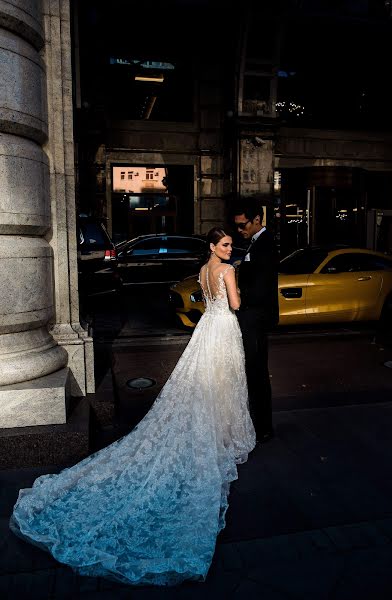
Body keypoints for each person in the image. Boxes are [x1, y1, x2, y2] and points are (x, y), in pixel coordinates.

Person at [9, 227, 255, 587]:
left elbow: (208, 300)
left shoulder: (203, 270)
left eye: (231, 245)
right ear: (214, 247)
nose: (230, 249)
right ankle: (221, 431)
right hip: (224, 328)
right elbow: (235, 304)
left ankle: (214, 427)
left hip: (206, 329)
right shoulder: (228, 270)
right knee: (223, 380)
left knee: (205, 382)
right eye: (226, 245)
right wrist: (238, 286)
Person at [233, 200, 279, 443]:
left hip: (256, 318)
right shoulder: (256, 243)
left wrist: (237, 296)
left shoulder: (265, 244)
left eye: (243, 225)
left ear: (257, 220)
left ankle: (263, 427)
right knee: (254, 372)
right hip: (253, 317)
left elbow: (261, 288)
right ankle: (260, 424)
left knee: (257, 373)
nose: (240, 230)